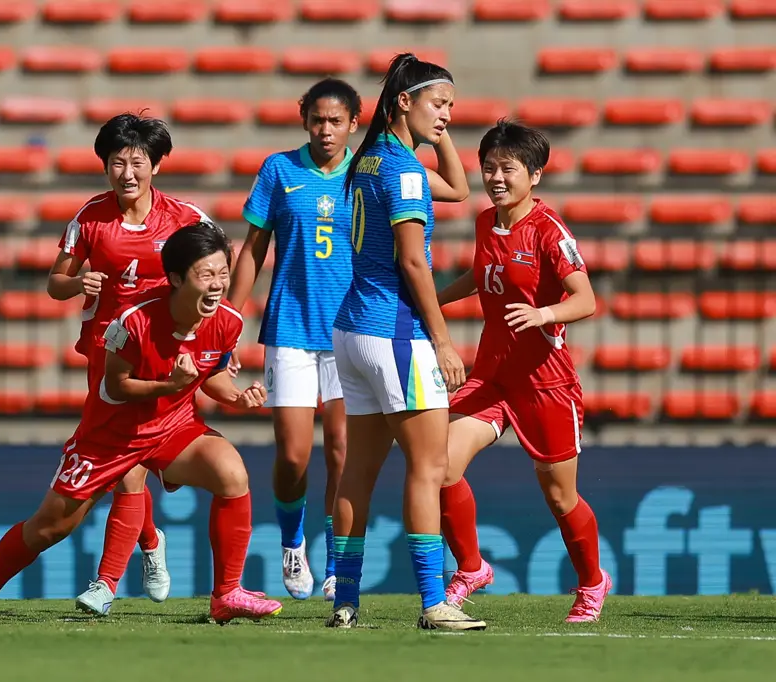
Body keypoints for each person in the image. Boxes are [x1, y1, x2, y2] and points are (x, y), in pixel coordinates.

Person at [0, 222, 283, 625]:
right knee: (50, 527)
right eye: (206, 275)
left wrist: (238, 397)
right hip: (112, 435)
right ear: (175, 278)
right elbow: (116, 387)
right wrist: (168, 384)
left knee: (232, 474)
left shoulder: (228, 321)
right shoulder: (132, 321)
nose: (217, 285)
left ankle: (227, 594)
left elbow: (211, 376)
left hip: (173, 427)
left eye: (223, 274)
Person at [325, 53, 484, 631]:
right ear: (404, 103)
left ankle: (343, 602)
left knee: (357, 473)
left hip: (351, 331)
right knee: (429, 466)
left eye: (452, 108)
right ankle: (433, 602)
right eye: (439, 105)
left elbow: (461, 190)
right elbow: (415, 262)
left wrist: (436, 133)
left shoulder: (366, 160)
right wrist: (442, 341)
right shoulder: (405, 172)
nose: (447, 117)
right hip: (395, 333)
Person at [436, 119, 607, 623]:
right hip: (492, 377)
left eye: (507, 168)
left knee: (559, 496)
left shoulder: (551, 231)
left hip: (545, 383)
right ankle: (471, 568)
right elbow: (479, 274)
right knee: (440, 466)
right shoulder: (486, 221)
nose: (495, 177)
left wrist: (544, 314)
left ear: (533, 175)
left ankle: (593, 583)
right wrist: (431, 300)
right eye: (488, 168)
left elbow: (587, 299)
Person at [45, 113, 212, 615]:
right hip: (107, 357)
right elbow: (56, 282)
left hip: (164, 356)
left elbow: (214, 275)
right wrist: (79, 284)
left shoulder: (185, 219)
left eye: (137, 161)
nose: (127, 172)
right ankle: (139, 554)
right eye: (117, 162)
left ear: (156, 165)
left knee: (132, 468)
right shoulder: (91, 218)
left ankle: (113, 576)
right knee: (128, 471)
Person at [227, 78, 359, 601]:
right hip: (291, 328)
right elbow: (252, 252)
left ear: (354, 122)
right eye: (317, 120)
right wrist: (228, 322)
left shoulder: (368, 172)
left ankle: (337, 564)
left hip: (352, 330)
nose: (325, 130)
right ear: (304, 117)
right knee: (294, 457)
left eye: (335, 121)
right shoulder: (278, 170)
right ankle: (291, 543)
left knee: (344, 451)